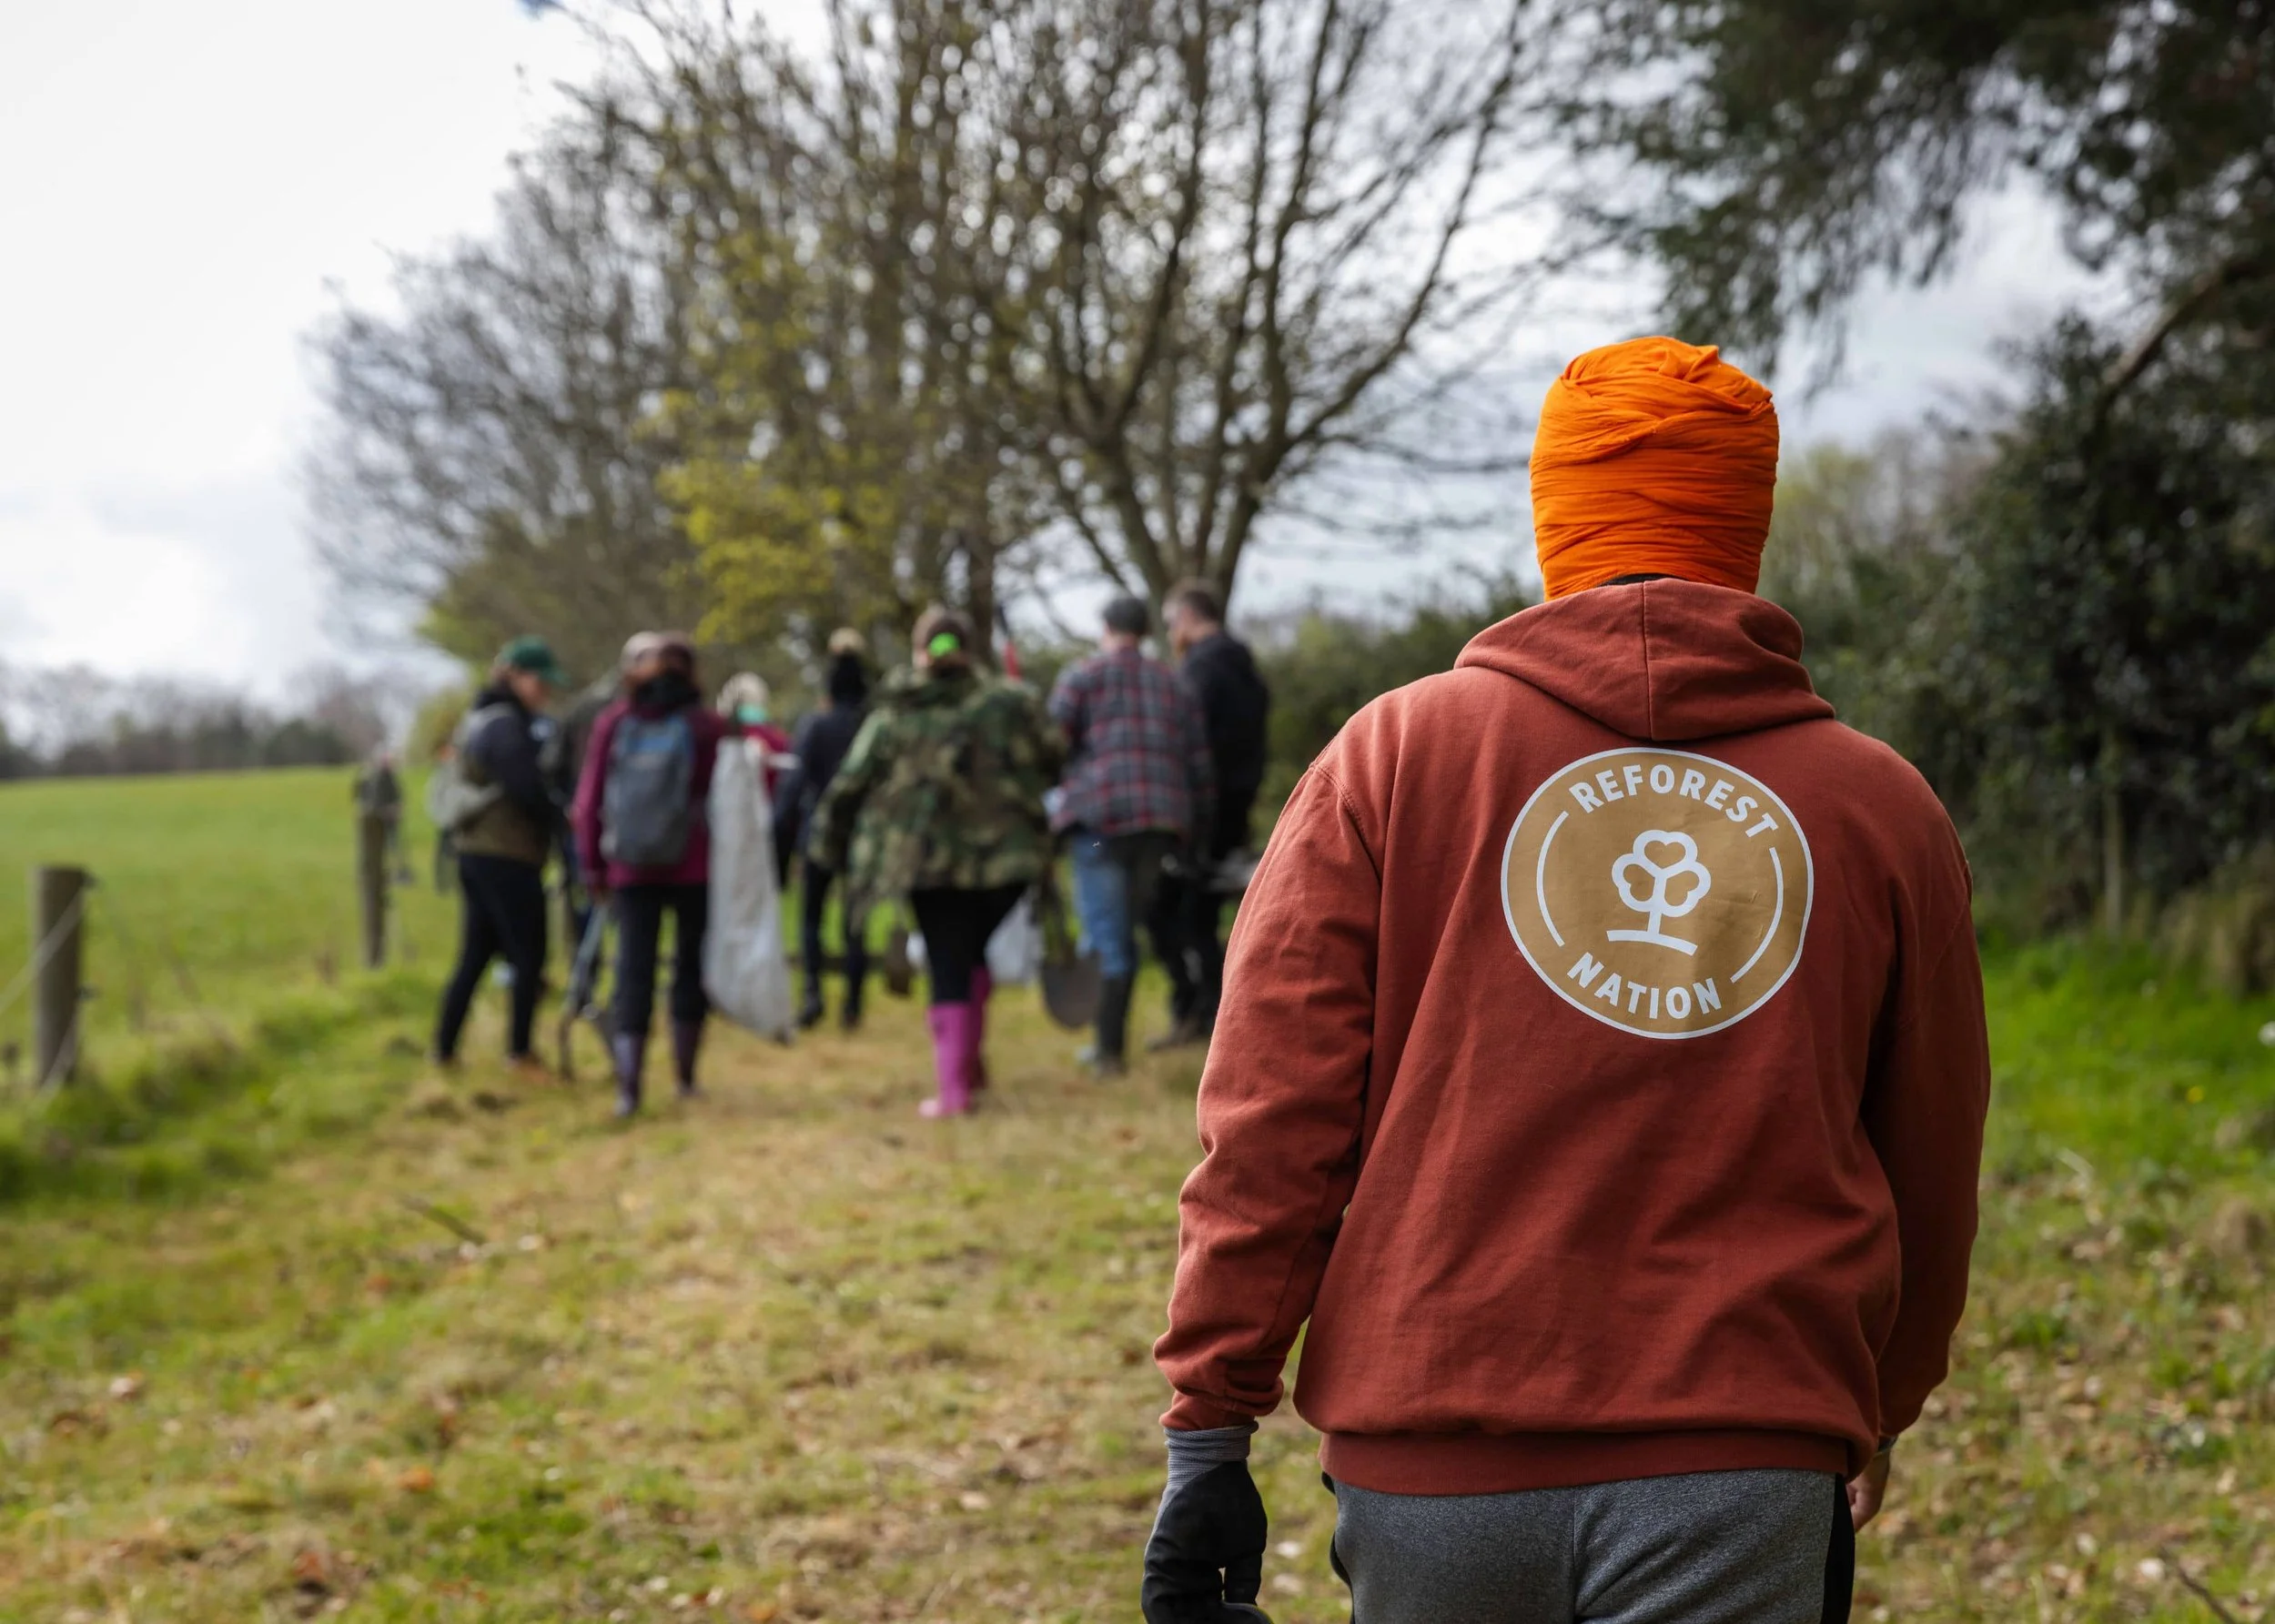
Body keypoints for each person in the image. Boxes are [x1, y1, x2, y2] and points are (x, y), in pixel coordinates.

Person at [1144, 338, 1992, 1624]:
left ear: (1556, 516)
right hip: (1743, 1457)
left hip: (1432, 1459)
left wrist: (1212, 1418)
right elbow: (1932, 1151)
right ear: (1746, 524)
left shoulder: (1392, 758)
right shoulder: (1881, 809)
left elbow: (1272, 1118)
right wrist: (1876, 1402)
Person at [814, 607, 1062, 1117]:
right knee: (970, 954)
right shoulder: (1009, 702)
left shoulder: (897, 710)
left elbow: (851, 784)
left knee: (949, 962)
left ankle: (953, 1094)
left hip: (928, 863)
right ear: (969, 648)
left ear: (918, 652)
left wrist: (829, 848)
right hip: (1006, 863)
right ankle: (968, 1069)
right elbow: (1055, 757)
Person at [1048, 595, 1214, 1076]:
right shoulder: (1174, 683)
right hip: (1159, 827)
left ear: (1105, 627)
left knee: (1106, 933)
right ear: (1145, 631)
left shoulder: (1081, 677)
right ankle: (1110, 1038)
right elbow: (1200, 766)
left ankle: (1108, 1051)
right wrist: (1196, 831)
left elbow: (1049, 744)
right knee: (1128, 926)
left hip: (1099, 828)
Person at [574, 631, 731, 1117]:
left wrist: (593, 868)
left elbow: (588, 803)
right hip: (695, 865)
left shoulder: (614, 723)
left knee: (632, 970)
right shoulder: (708, 727)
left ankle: (630, 1089)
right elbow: (731, 801)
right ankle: (685, 1079)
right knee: (689, 967)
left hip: (630, 866)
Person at [433, 636, 571, 1074]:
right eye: (538, 681)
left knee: (475, 954)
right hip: (505, 853)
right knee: (529, 954)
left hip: (478, 852)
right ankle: (520, 1053)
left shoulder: (482, 718)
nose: (544, 691)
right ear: (513, 675)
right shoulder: (505, 725)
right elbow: (526, 789)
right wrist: (564, 818)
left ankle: (444, 1048)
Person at [1146, 580, 1269, 1048]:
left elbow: (1185, 745)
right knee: (1205, 914)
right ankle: (1215, 1012)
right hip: (1237, 807)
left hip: (1200, 813)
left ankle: (1203, 1013)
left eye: (1172, 620)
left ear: (1189, 618)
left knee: (1172, 913)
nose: (1171, 631)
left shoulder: (1197, 671)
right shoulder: (1247, 669)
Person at [774, 630, 874, 1030]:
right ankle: (852, 1003)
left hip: (818, 834)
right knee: (856, 920)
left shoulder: (816, 726)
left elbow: (792, 786)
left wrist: (780, 842)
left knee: (811, 919)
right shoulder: (870, 726)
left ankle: (813, 994)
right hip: (861, 836)